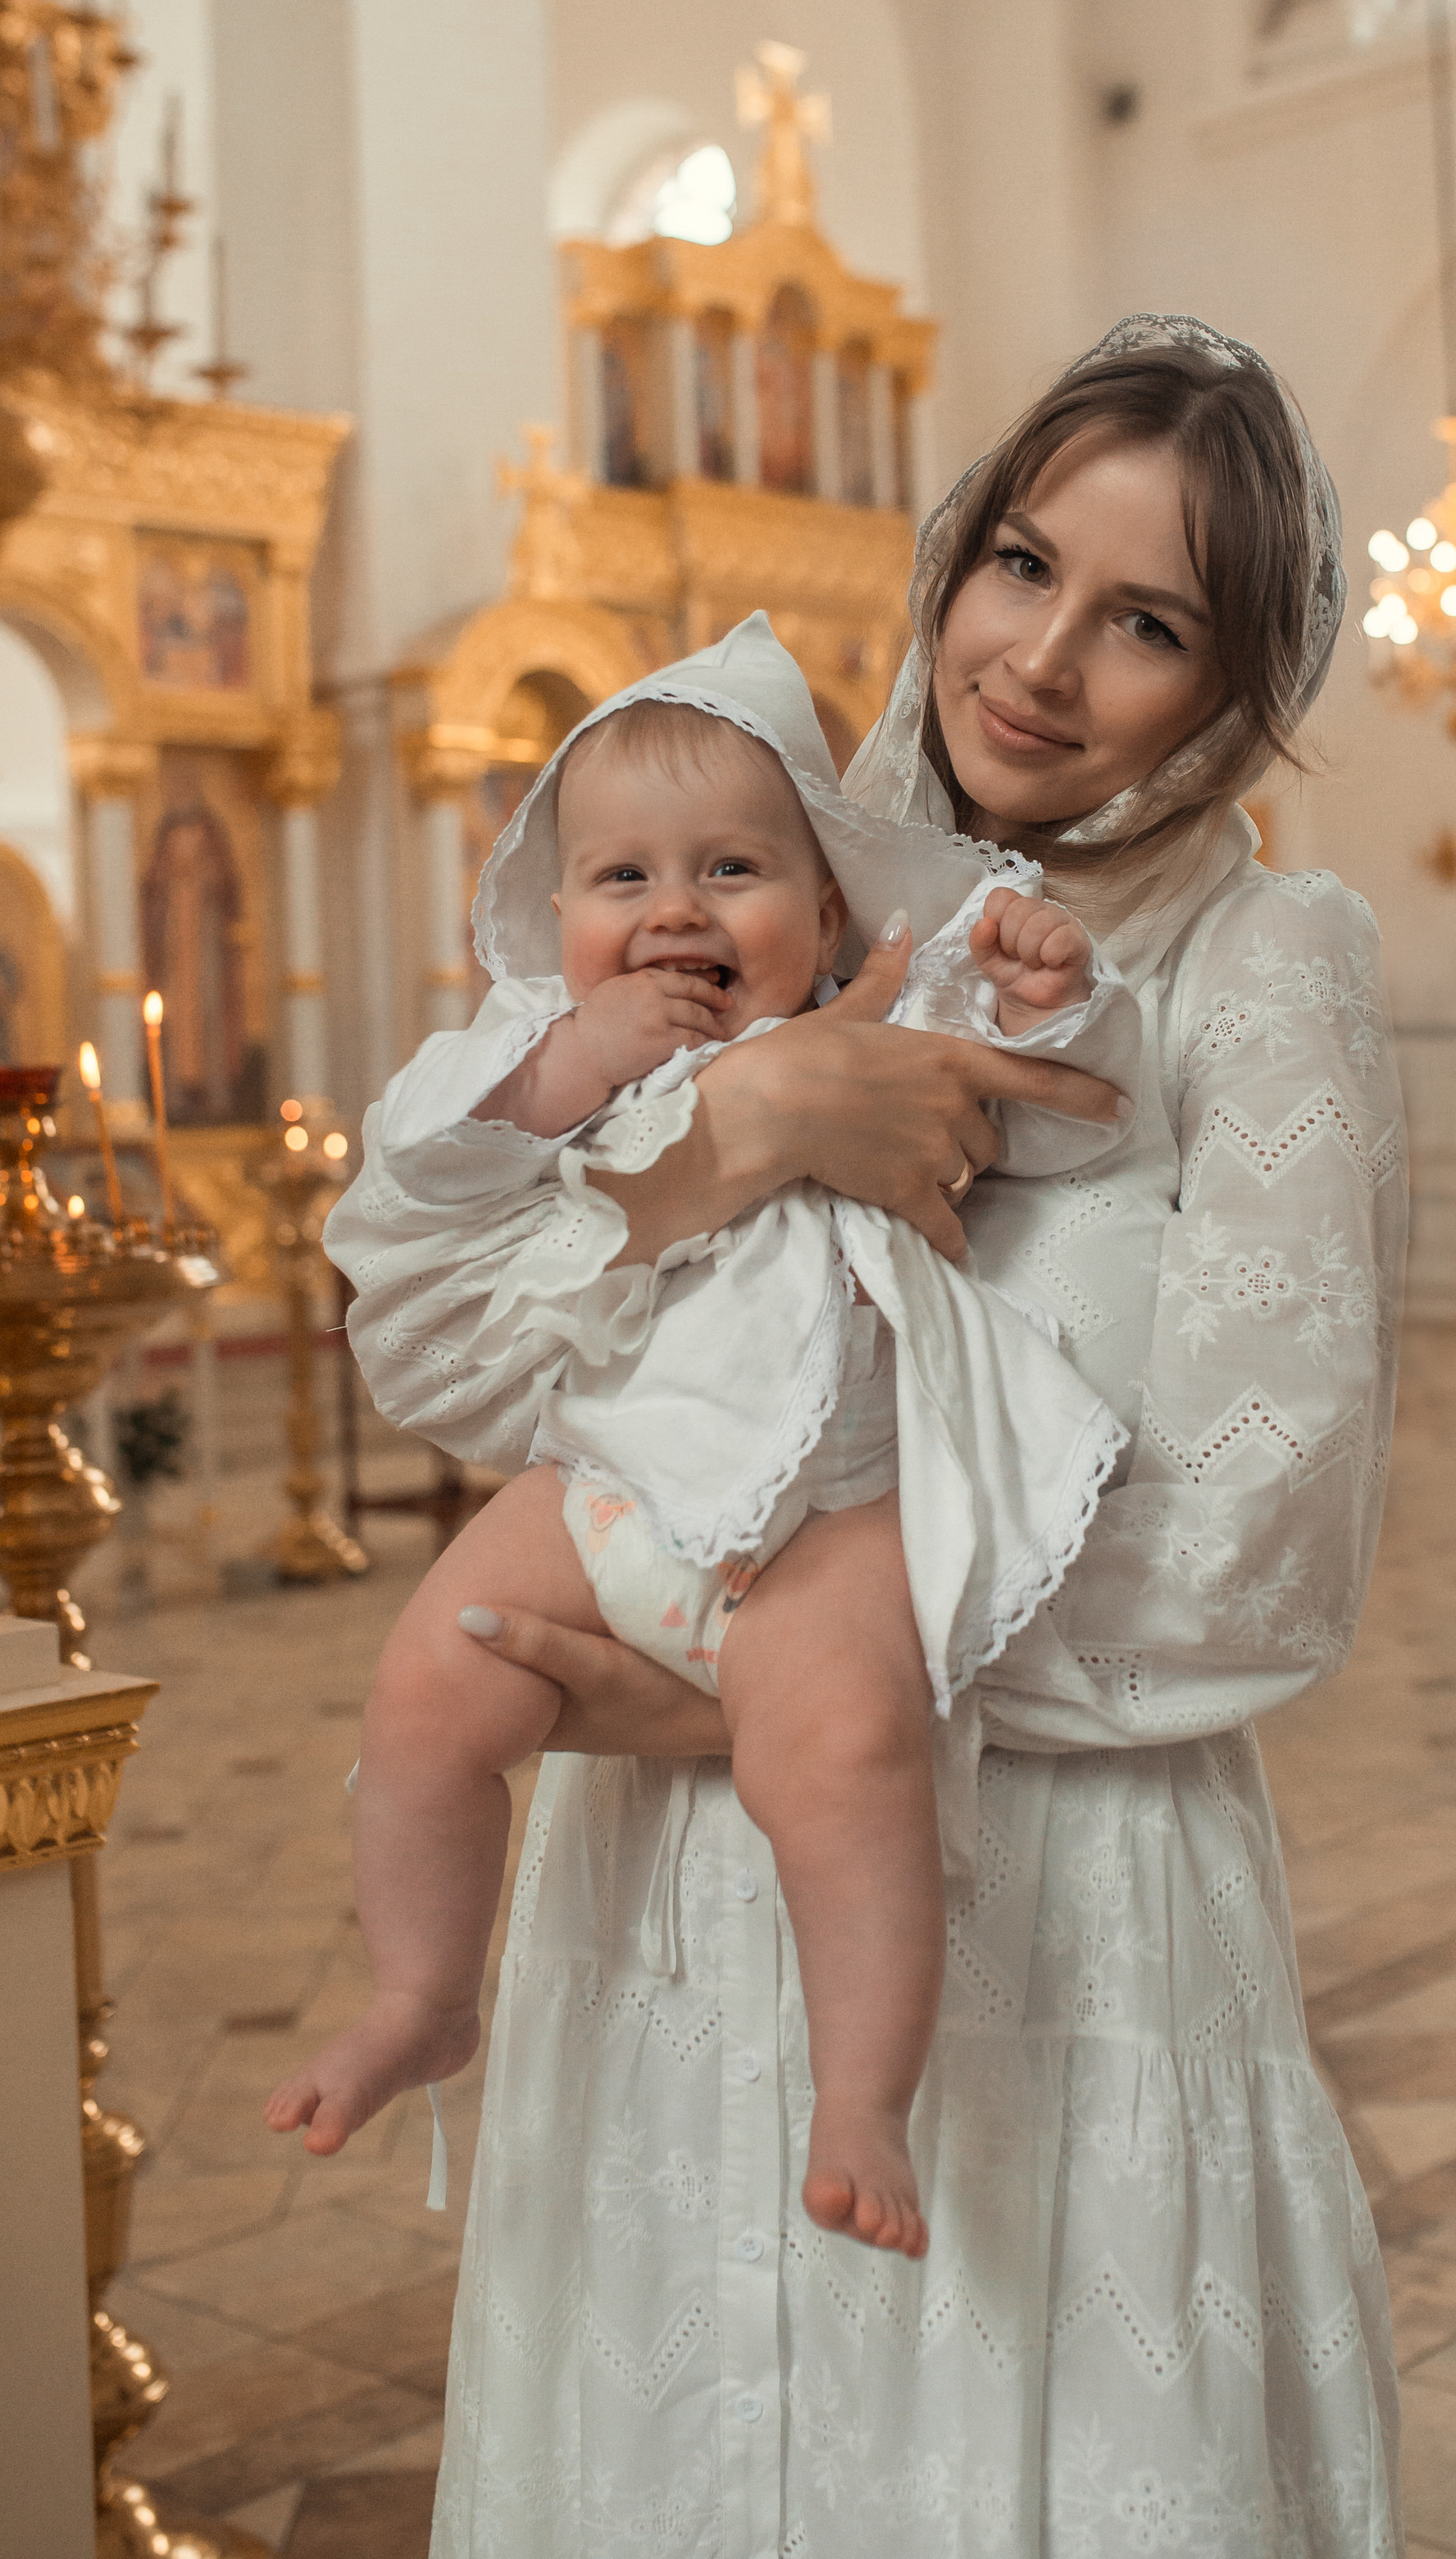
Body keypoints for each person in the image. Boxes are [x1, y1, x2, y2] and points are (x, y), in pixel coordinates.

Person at [334, 316, 1407, 2557]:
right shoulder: (735, 898)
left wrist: (724, 1680)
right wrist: (733, 1127)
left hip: (1056, 1896)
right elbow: (431, 1347)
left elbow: (1256, 1541)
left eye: (1148, 620)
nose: (1039, 660)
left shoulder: (1254, 959)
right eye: (1022, 562)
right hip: (663, 1922)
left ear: (1237, 678)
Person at [275, 620, 1139, 2257]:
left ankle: (861, 2091)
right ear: (555, 923)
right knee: (425, 1684)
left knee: (841, 1749)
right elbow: (418, 1178)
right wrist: (558, 1067)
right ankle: (417, 1993)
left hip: (839, 1511)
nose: (671, 910)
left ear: (822, 913)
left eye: (729, 868)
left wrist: (1052, 987)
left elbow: (1061, 1095)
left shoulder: (887, 1010)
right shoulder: (529, 1071)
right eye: (619, 883)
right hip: (608, 1495)